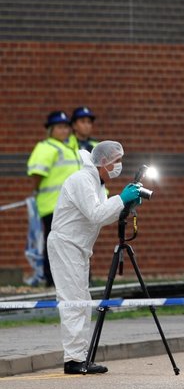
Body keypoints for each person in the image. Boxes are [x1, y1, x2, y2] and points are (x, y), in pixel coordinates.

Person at [48, 140, 143, 374]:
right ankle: (73, 361)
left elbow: (103, 214)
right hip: (66, 245)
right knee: (73, 302)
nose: (118, 166)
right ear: (103, 162)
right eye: (116, 161)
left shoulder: (97, 185)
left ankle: (80, 358)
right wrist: (121, 199)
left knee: (82, 302)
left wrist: (126, 205)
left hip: (78, 248)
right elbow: (96, 214)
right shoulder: (82, 180)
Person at [26, 111, 82, 286]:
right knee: (55, 245)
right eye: (59, 127)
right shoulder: (46, 147)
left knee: (70, 245)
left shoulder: (68, 147)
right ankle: (52, 281)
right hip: (52, 205)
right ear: (50, 129)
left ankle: (69, 281)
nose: (64, 130)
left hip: (68, 206)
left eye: (66, 126)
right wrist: (36, 191)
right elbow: (37, 174)